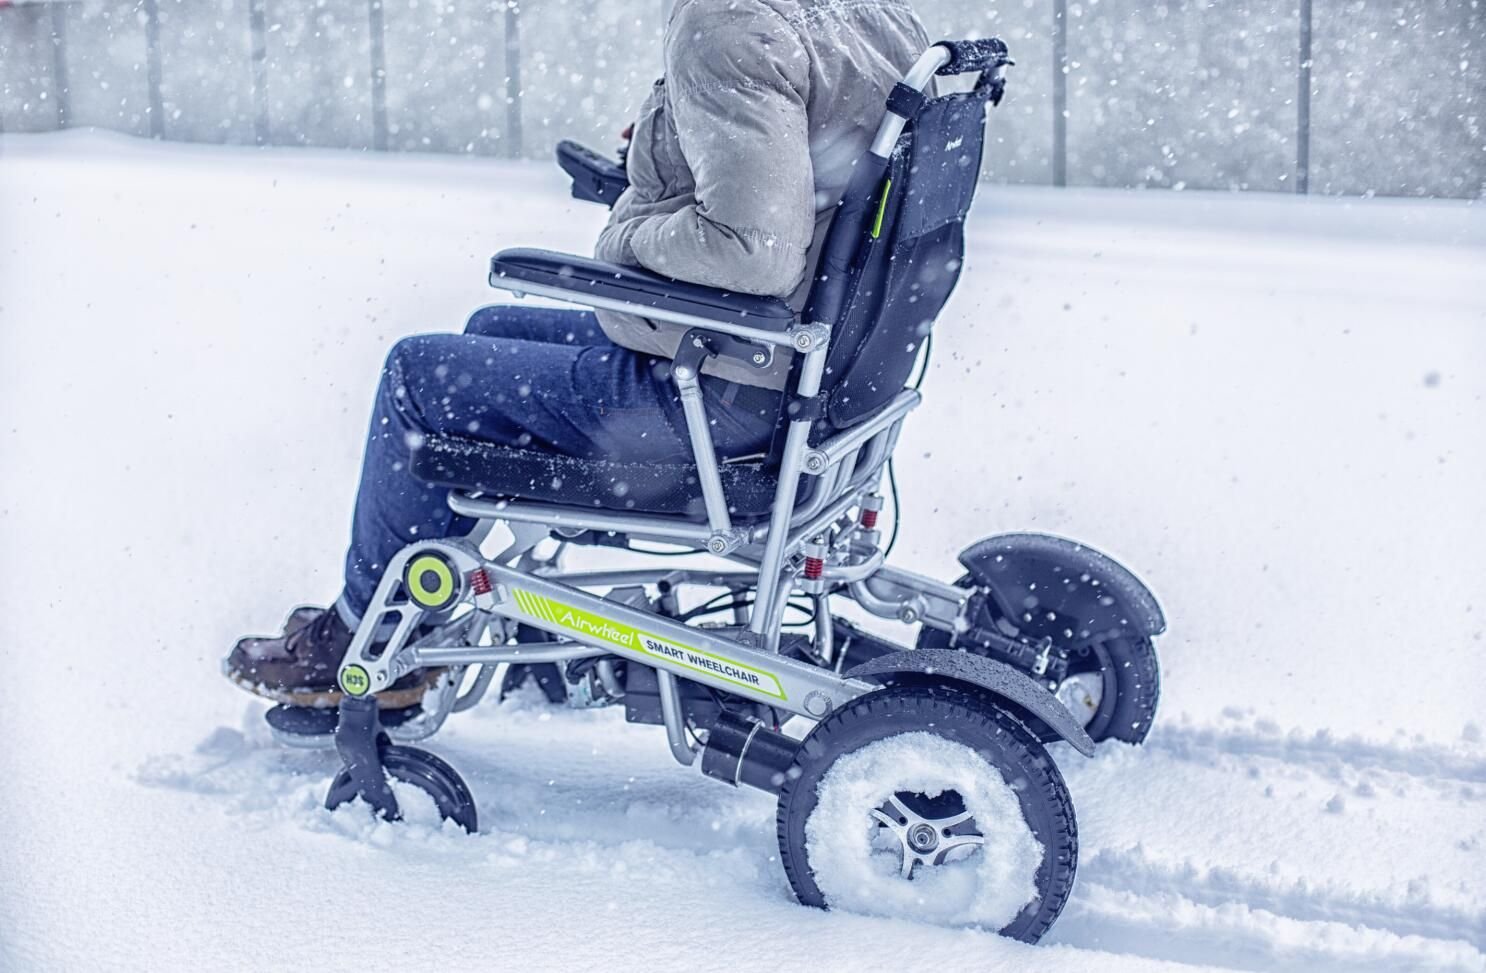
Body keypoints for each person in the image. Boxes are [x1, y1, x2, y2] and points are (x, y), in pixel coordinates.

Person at [225, 0, 930, 707]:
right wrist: (674, 149)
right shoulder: (869, 17)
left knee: (420, 376)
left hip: (729, 395)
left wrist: (626, 239)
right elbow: (811, 160)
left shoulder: (728, 24)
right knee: (488, 331)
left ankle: (364, 636)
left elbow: (755, 252)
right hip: (803, 380)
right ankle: (422, 602)